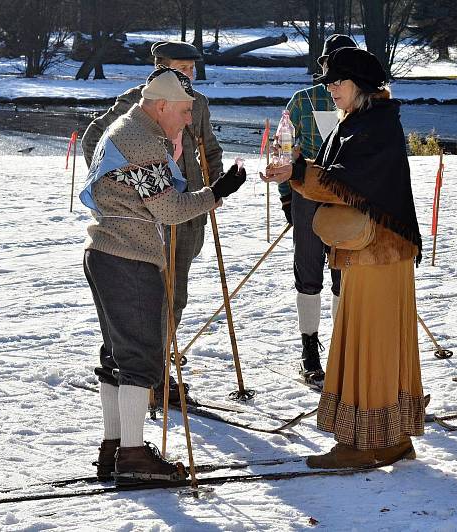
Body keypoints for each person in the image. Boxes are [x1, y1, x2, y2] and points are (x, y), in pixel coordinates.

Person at [81, 67, 246, 484]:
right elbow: (169, 210)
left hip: (105, 251)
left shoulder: (132, 127)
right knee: (140, 357)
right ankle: (133, 456)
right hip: (129, 256)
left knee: (117, 355)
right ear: (162, 106)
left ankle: (114, 447)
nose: (190, 120)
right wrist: (217, 193)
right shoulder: (140, 139)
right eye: (185, 111)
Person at [263, 47, 425, 469]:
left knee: (369, 345)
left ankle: (365, 444)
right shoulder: (363, 122)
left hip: (378, 254)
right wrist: (295, 170)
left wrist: (297, 172)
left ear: (361, 85)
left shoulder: (373, 126)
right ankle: (391, 438)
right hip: (374, 253)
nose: (331, 88)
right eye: (329, 82)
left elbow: (344, 185)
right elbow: (337, 178)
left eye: (338, 81)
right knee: (376, 342)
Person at [82, 41, 223, 405]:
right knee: (139, 301)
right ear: (160, 68)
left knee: (174, 294)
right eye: (181, 69)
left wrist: (214, 191)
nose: (188, 76)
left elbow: (209, 149)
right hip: (142, 219)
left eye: (192, 70)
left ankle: (156, 368)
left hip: (185, 209)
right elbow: (94, 139)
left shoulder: (198, 104)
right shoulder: (135, 102)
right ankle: (143, 375)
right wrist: (116, 187)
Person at [278, 33, 357, 386]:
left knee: (344, 271)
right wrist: (286, 196)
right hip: (307, 196)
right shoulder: (302, 101)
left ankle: (342, 346)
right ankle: (309, 347)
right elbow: (284, 152)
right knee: (308, 272)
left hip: (347, 198)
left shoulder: (362, 103)